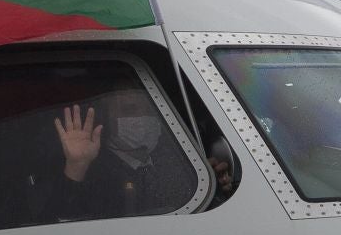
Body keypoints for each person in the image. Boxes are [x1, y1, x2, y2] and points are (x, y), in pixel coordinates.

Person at [48, 93, 233, 221]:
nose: (142, 118)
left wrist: (214, 188)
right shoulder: (95, 170)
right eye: (129, 110)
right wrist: (76, 168)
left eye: (150, 110)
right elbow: (58, 221)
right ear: (107, 118)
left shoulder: (182, 163)